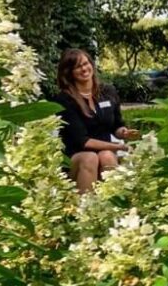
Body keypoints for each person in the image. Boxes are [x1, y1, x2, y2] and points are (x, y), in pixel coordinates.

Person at [53, 49, 133, 192]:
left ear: (91, 64)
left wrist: (123, 132)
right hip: (75, 157)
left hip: (105, 153)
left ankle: (114, 206)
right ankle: (85, 210)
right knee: (90, 158)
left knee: (107, 156)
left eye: (85, 63)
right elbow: (83, 142)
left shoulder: (108, 91)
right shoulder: (64, 100)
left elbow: (117, 125)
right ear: (69, 73)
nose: (84, 69)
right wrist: (120, 147)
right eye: (78, 67)